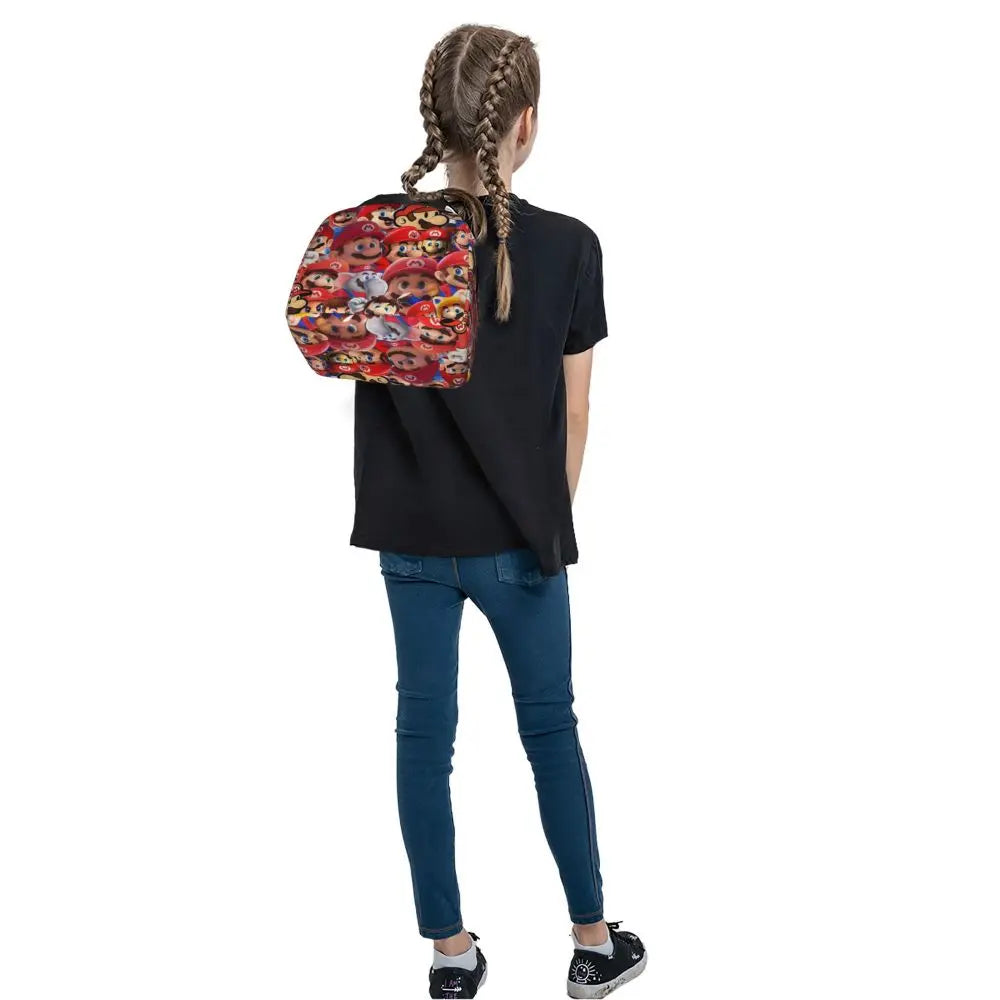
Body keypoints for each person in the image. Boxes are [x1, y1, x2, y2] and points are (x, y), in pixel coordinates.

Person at [348, 25, 647, 999]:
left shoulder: (383, 236)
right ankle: (593, 943)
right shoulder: (570, 247)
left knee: (421, 740)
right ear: (526, 123)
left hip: (409, 538)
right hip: (521, 540)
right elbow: (577, 412)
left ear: (436, 122)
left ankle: (450, 953)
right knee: (550, 731)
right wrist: (545, 525)